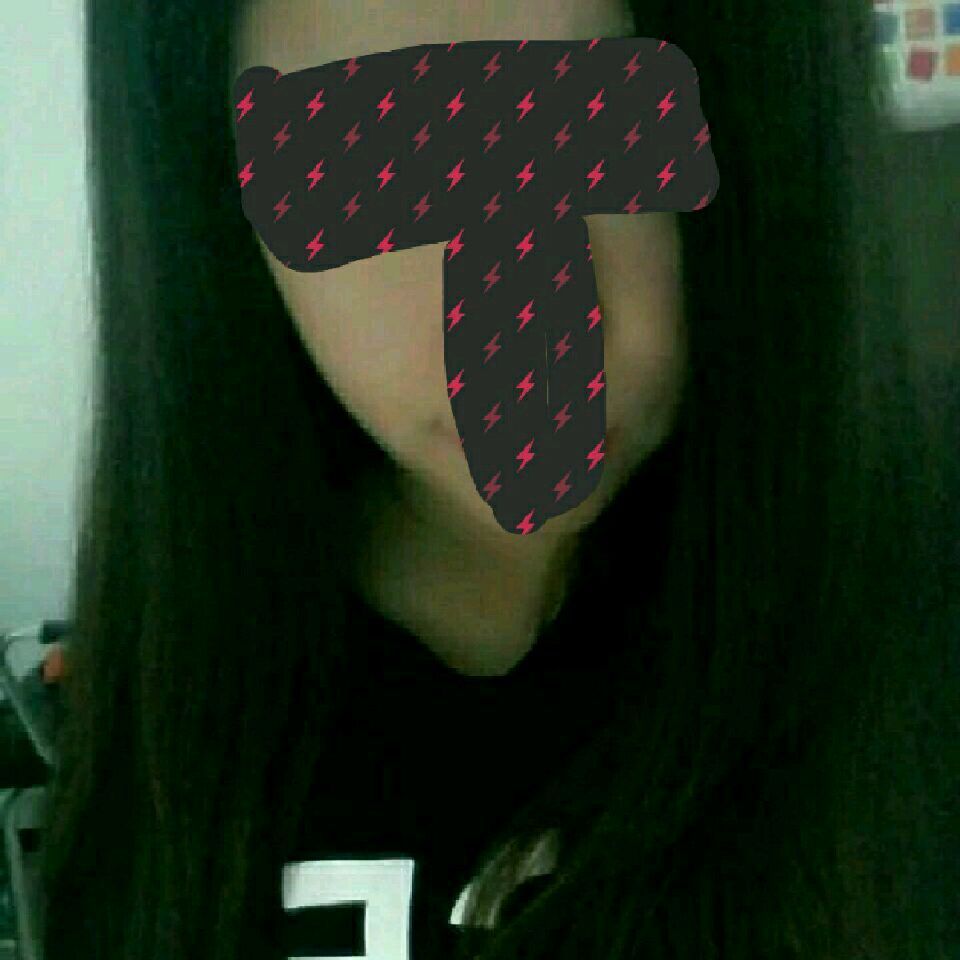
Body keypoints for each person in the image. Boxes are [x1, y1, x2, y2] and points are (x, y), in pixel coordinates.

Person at [37, 1, 959, 959]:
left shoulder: (911, 637)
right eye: (377, 166)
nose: (527, 341)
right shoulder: (178, 713)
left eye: (609, 139)